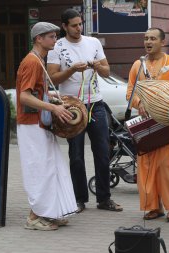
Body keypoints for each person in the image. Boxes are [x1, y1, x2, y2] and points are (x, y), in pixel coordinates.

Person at [47, 9, 122, 213]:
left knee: (103, 152)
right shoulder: (57, 47)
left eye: (80, 24)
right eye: (74, 25)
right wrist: (72, 70)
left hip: (95, 103)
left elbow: (106, 71)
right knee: (76, 155)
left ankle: (104, 199)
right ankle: (79, 199)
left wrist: (98, 66)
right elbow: (52, 79)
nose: (79, 28)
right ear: (64, 26)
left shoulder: (93, 43)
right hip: (72, 106)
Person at [16, 22, 77, 230]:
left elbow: (33, 92)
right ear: (38, 39)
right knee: (40, 170)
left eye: (55, 36)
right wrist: (53, 108)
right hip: (32, 124)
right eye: (51, 36)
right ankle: (34, 218)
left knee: (50, 168)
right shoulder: (32, 62)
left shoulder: (38, 60)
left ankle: (49, 212)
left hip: (38, 123)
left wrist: (51, 96)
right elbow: (24, 97)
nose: (55, 40)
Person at [126, 28, 169, 222]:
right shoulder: (138, 64)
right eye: (145, 38)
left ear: (162, 42)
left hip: (165, 122)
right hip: (144, 124)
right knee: (145, 165)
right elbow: (130, 92)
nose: (148, 42)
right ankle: (153, 207)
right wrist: (139, 103)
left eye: (152, 38)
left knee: (166, 166)